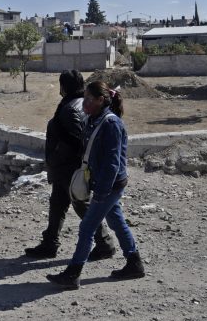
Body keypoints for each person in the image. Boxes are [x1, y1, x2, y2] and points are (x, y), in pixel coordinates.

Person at [47, 81, 145, 289]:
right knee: (117, 222)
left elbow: (112, 162)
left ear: (101, 100)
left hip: (109, 185)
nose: (85, 103)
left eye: (90, 99)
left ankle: (73, 273)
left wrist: (101, 192)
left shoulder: (110, 124)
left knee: (87, 227)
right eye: (85, 99)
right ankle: (134, 263)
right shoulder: (94, 119)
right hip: (104, 183)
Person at [25, 70, 115, 260]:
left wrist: (60, 155)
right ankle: (50, 243)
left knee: (82, 207)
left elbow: (78, 140)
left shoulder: (70, 108)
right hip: (65, 168)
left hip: (69, 169)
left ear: (63, 87)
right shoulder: (82, 103)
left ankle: (105, 244)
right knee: (57, 204)